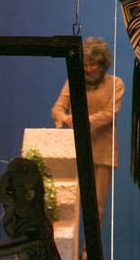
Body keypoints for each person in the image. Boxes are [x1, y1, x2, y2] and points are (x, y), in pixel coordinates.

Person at [52, 36, 124, 237]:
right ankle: (66, 248)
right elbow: (58, 108)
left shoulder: (115, 83)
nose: (88, 69)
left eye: (93, 64)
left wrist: (84, 120)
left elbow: (110, 113)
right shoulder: (73, 81)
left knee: (96, 208)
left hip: (102, 153)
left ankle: (88, 251)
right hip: (74, 151)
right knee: (68, 204)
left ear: (102, 63)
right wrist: (64, 118)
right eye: (85, 64)